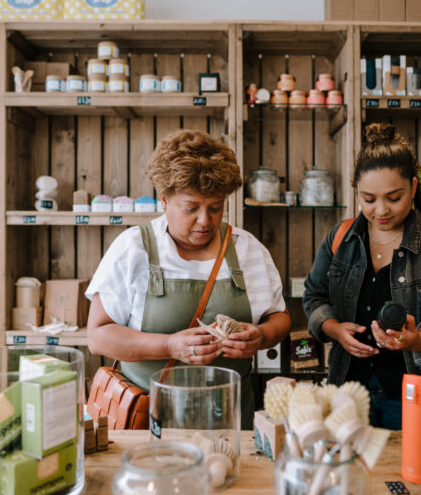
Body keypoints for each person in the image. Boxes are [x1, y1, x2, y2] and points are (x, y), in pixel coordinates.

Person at [86, 129, 291, 429]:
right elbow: (97, 336)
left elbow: (280, 318)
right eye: (191, 208)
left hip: (230, 421)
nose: (205, 221)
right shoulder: (134, 248)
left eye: (216, 208)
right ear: (165, 201)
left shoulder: (246, 249)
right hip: (149, 422)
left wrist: (261, 336)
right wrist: (169, 346)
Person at [303, 123, 421, 429]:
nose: (380, 210)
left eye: (394, 198)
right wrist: (335, 329)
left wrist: (418, 340)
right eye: (368, 199)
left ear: (414, 188)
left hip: (416, 397)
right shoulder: (341, 238)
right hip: (347, 396)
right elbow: (314, 295)